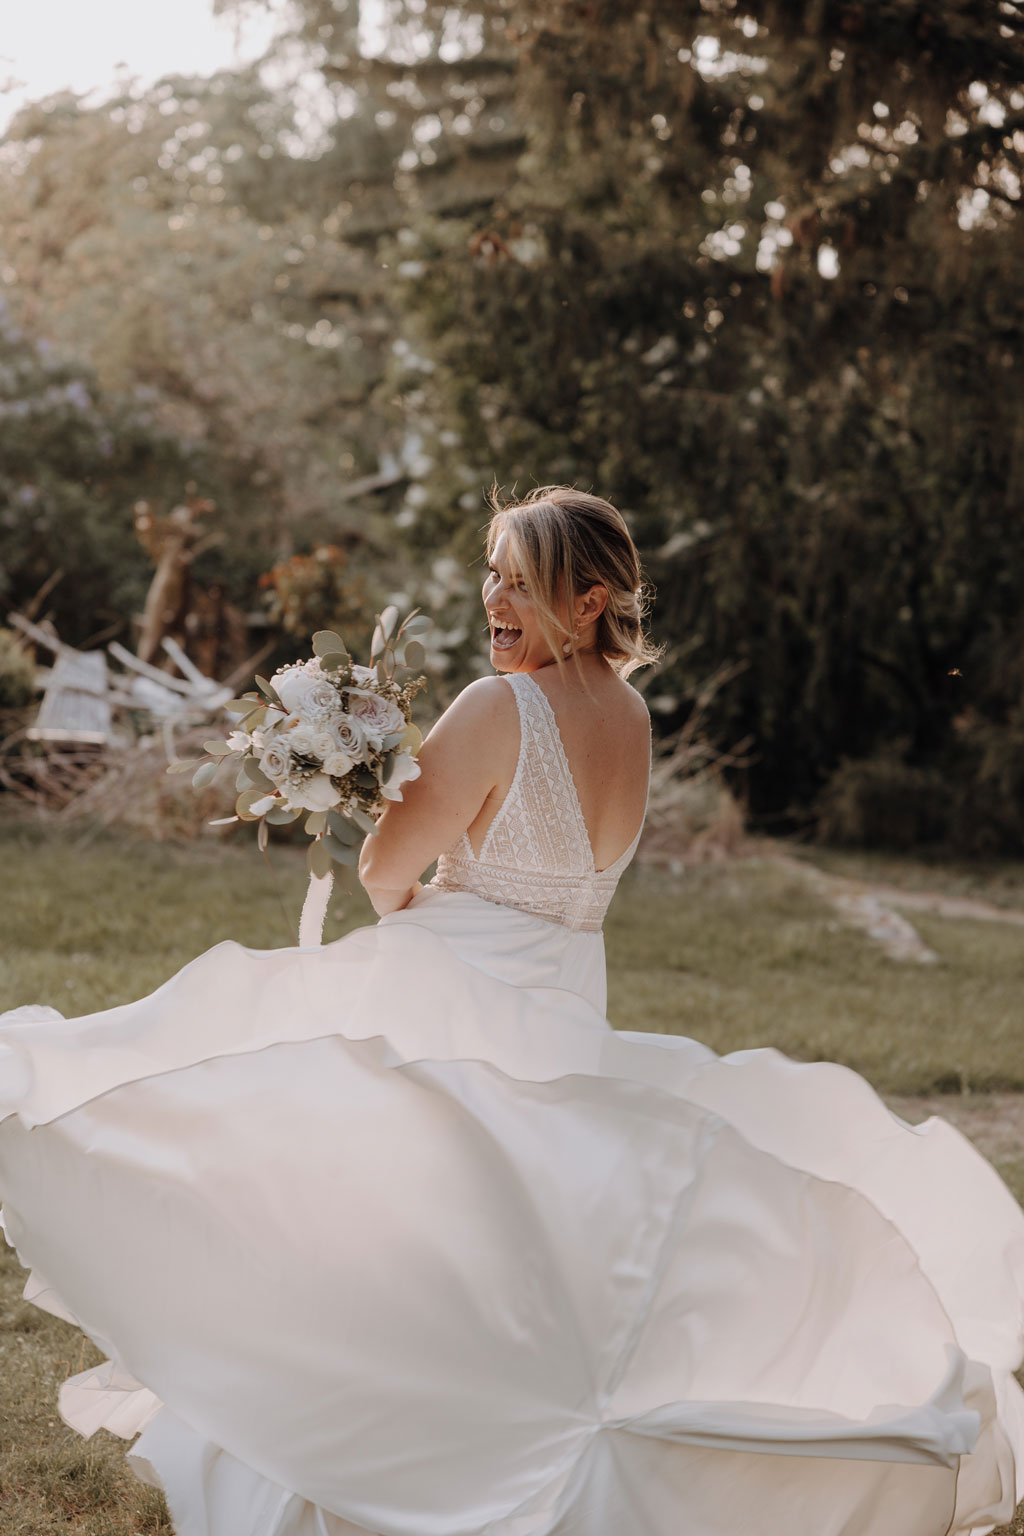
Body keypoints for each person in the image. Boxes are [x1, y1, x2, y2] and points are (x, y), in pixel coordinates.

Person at [0, 485, 1022, 1536]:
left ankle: (363, 1424)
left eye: (520, 581)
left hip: (457, 976)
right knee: (515, 1233)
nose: (495, 595)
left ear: (586, 601)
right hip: (568, 988)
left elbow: (387, 872)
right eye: (492, 572)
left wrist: (376, 825)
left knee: (342, 1187)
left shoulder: (498, 708)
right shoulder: (630, 717)